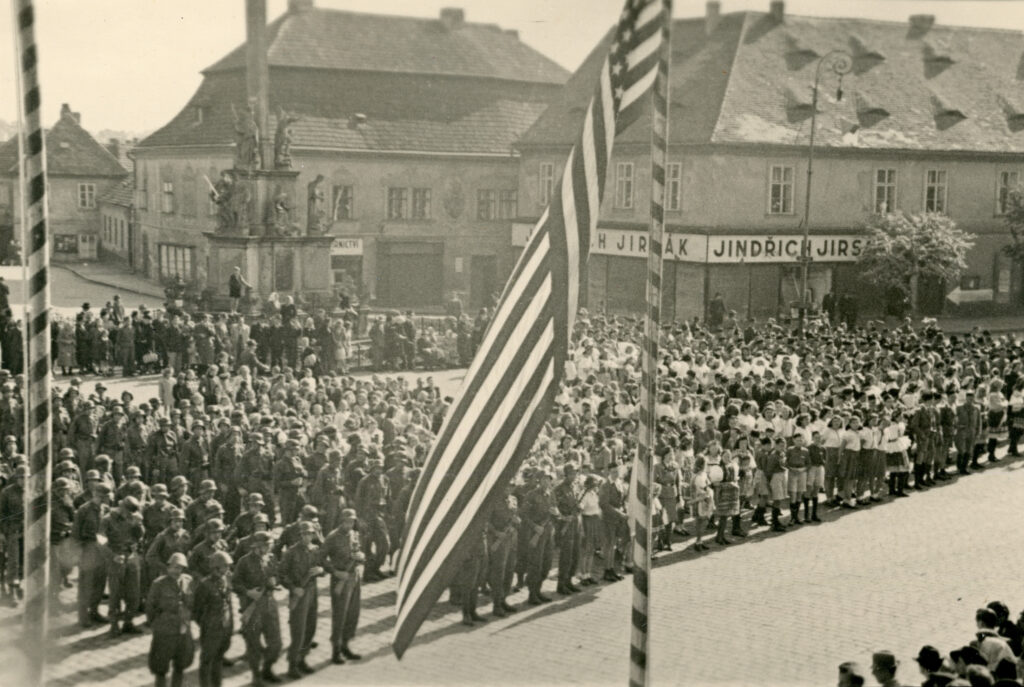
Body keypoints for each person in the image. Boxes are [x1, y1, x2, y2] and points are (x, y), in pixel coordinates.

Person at [234, 530, 282, 685]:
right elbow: (235, 583)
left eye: (270, 544)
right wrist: (248, 592)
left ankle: (267, 669)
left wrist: (276, 580)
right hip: (253, 607)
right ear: (257, 546)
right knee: (254, 644)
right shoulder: (244, 561)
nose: (269, 547)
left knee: (276, 643)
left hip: (269, 604)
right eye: (266, 545)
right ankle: (256, 676)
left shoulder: (271, 558)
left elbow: (278, 575)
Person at [281, 520, 323, 678]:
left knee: (310, 627)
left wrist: (320, 570)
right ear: (300, 535)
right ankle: (292, 664)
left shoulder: (315, 550)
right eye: (304, 534)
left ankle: (302, 659)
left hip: (312, 592)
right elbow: (282, 575)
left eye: (310, 534)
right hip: (299, 593)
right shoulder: (291, 552)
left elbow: (321, 566)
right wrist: (293, 588)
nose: (307, 537)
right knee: (298, 630)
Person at [321, 508, 364, 664]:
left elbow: (358, 552)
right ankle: (336, 650)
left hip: (354, 578)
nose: (350, 524)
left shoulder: (354, 535)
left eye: (352, 521)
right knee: (340, 616)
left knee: (353, 613)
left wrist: (361, 557)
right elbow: (321, 558)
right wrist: (335, 572)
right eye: (347, 521)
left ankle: (346, 645)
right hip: (340, 579)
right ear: (341, 521)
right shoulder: (332, 537)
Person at [146, 552, 195, 687]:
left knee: (180, 664)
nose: (176, 571)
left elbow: (192, 603)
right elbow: (150, 607)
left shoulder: (188, 581)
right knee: (160, 667)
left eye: (179, 568)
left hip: (183, 630)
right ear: (167, 568)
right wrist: (156, 624)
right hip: (165, 630)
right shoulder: (158, 584)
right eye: (173, 567)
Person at [103, 495, 146, 636]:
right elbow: (100, 541)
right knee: (115, 594)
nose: (129, 515)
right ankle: (114, 624)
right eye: (128, 512)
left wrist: (138, 525)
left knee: (134, 593)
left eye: (131, 513)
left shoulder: (133, 518)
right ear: (121, 507)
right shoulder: (107, 519)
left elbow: (139, 537)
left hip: (131, 557)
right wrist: (112, 556)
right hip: (116, 559)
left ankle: (128, 622)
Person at [193, 550, 234, 687]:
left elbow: (228, 603)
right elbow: (196, 610)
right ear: (216, 568)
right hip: (211, 627)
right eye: (225, 566)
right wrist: (206, 623)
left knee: (218, 659)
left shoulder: (226, 579)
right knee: (207, 660)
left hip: (225, 626)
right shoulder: (205, 585)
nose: (227, 569)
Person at [74, 481, 110, 628]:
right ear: (95, 495)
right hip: (87, 549)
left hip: (102, 550)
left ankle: (94, 611)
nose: (104, 499)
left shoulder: (106, 510)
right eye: (102, 496)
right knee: (86, 584)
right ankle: (83, 616)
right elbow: (76, 534)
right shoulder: (83, 510)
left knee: (100, 583)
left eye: (106, 497)